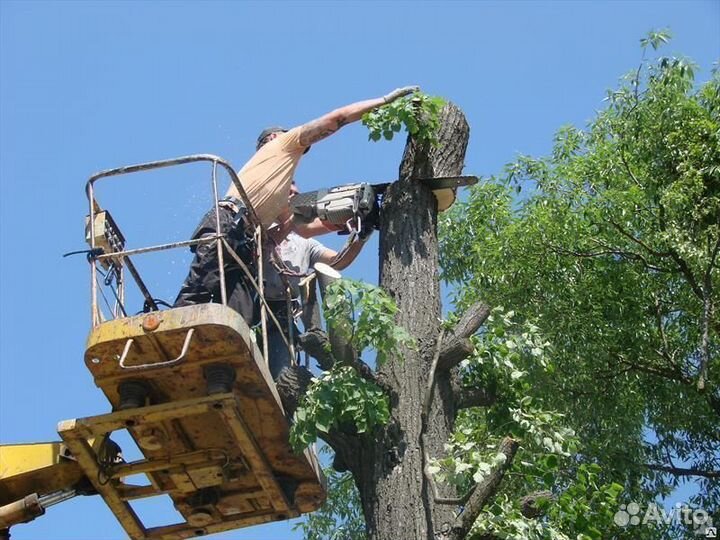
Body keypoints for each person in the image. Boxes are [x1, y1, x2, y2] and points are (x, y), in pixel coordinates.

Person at [174, 86, 418, 322]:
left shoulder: (279, 192)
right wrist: (385, 102)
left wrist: (357, 222)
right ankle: (170, 334)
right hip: (229, 223)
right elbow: (338, 119)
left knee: (239, 314)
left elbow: (302, 227)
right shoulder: (281, 145)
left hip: (244, 245)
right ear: (272, 137)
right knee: (200, 290)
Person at [263, 182, 368, 379]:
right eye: (289, 192)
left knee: (282, 375)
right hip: (256, 306)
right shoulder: (260, 224)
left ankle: (316, 336)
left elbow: (337, 261)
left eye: (297, 193)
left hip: (283, 316)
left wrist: (361, 236)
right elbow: (264, 243)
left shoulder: (304, 242)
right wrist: (299, 221)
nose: (294, 195)